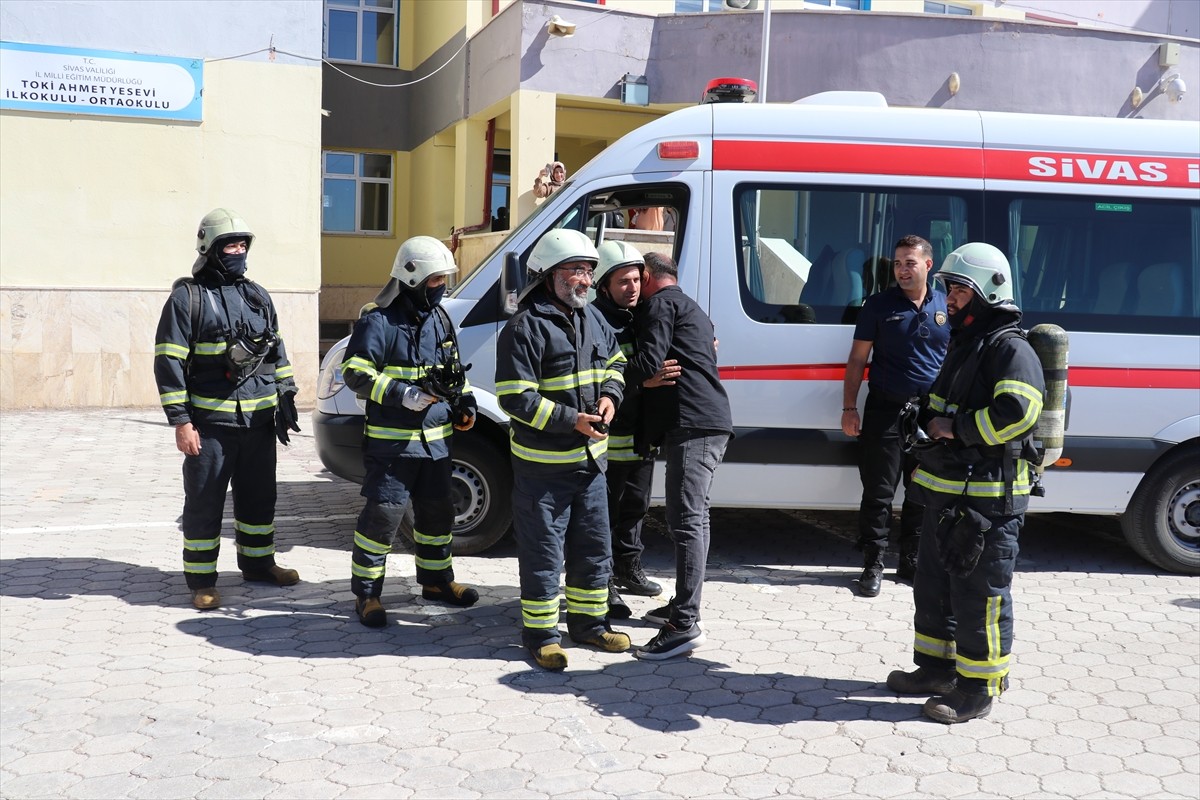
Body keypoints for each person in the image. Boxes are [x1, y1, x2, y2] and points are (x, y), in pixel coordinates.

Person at [886, 242, 1045, 724]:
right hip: (949, 494)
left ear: (986, 293)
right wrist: (924, 420)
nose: (948, 299)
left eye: (957, 290)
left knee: (980, 596)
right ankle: (936, 670)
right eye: (949, 289)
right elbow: (943, 405)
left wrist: (959, 428)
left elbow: (1019, 412)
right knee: (934, 587)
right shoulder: (966, 344)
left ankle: (977, 689)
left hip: (988, 503)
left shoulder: (1010, 349)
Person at [495, 228, 631, 670]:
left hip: (590, 465)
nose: (585, 280)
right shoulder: (525, 326)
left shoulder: (592, 318)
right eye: (576, 270)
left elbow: (616, 362)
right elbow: (514, 397)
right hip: (543, 470)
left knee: (593, 549)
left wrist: (611, 395)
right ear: (549, 274)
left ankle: (589, 626)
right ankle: (541, 636)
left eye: (590, 271)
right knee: (544, 555)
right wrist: (571, 420)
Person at [154, 208, 302, 611]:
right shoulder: (187, 298)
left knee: (259, 498)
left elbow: (277, 351)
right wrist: (181, 422)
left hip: (257, 422)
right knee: (204, 501)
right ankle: (202, 580)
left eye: (242, 244)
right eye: (230, 245)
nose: (238, 251)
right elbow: (168, 361)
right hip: (211, 423)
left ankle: (259, 565)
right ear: (210, 248)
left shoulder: (257, 295)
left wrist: (285, 393)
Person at [340, 236, 479, 628]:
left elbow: (454, 371)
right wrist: (403, 395)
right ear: (412, 278)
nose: (441, 287)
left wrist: (463, 403)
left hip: (435, 447)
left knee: (438, 517)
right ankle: (367, 594)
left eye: (444, 279)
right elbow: (355, 372)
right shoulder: (378, 319)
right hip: (392, 448)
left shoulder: (440, 319)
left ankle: (437, 583)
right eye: (435, 280)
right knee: (381, 519)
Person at [623, 252, 732, 661]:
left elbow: (650, 361)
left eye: (637, 280)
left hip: (694, 424)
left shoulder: (660, 305)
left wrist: (610, 375)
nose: (634, 290)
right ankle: (683, 607)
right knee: (694, 520)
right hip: (708, 422)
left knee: (686, 522)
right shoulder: (692, 306)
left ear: (648, 276)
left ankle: (684, 623)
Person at [842, 235, 950, 597]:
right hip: (886, 410)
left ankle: (911, 561)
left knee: (921, 490)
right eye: (898, 263)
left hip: (931, 414)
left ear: (928, 266)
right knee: (879, 491)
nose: (903, 270)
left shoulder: (946, 303)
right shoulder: (878, 305)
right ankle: (872, 564)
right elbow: (857, 360)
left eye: (910, 263)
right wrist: (849, 408)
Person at [592, 242, 680, 618]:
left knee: (636, 507)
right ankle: (602, 581)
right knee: (604, 512)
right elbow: (597, 379)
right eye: (622, 281)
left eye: (635, 279)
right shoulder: (594, 321)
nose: (631, 287)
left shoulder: (642, 313)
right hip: (610, 435)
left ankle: (628, 567)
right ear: (603, 286)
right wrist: (642, 382)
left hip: (641, 434)